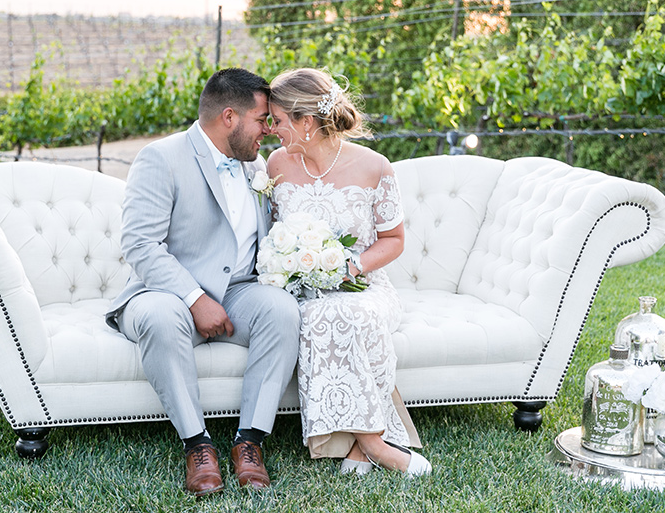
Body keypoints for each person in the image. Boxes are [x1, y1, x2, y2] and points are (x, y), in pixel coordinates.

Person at [106, 67, 301, 497]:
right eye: (260, 119)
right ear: (228, 117)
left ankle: (249, 441)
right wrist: (195, 298)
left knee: (283, 311)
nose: (267, 130)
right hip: (166, 293)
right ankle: (198, 445)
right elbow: (141, 244)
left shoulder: (259, 168)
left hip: (241, 291)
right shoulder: (162, 157)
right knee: (158, 317)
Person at [266, 67, 431, 477]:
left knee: (352, 314)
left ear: (306, 123)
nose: (271, 129)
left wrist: (350, 266)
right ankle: (375, 442)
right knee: (322, 313)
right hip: (302, 289)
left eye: (278, 120)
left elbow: (394, 239)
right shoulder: (274, 165)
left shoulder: (375, 166)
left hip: (365, 286)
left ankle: (362, 444)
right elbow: (269, 236)